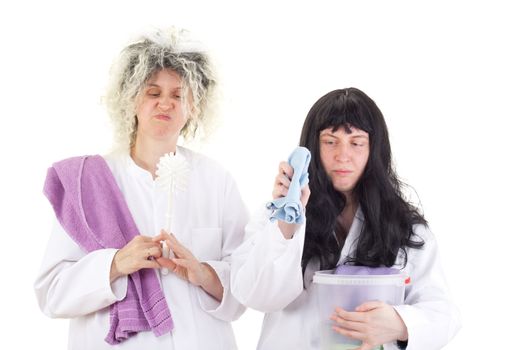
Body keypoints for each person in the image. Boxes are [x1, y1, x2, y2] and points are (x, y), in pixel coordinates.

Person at [34, 27, 248, 350]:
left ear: (194, 106)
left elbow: (247, 283)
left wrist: (202, 272)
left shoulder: (216, 181)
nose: (166, 103)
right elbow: (51, 293)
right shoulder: (86, 182)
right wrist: (116, 263)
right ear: (132, 98)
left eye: (178, 95)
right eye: (153, 92)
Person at [231, 87, 461, 349]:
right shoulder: (275, 216)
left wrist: (399, 323)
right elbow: (257, 295)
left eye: (356, 143)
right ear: (312, 148)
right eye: (330, 141)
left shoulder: (405, 228)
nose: (342, 155)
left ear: (374, 149)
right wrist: (288, 220)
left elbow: (444, 313)